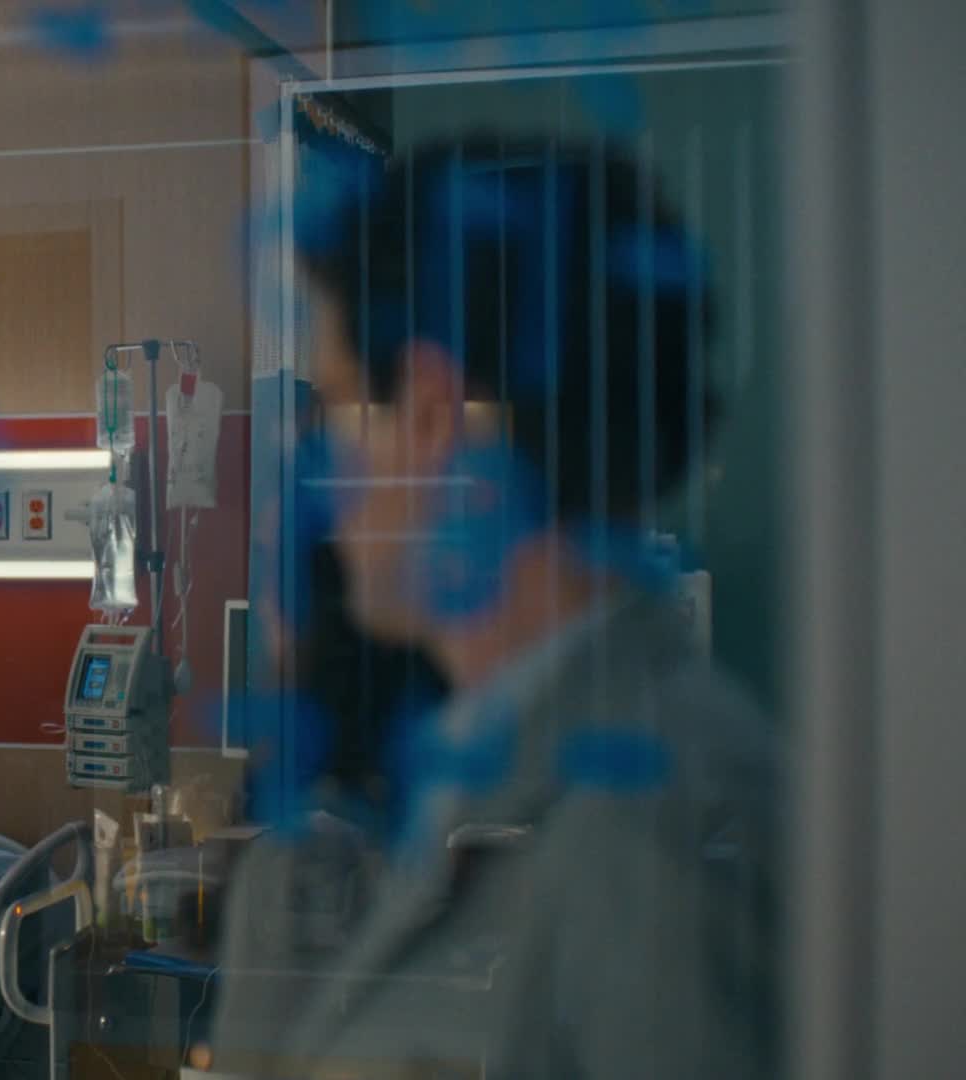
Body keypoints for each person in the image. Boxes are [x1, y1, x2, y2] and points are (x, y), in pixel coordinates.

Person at [212, 138, 776, 1077]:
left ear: (431, 414)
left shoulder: (650, 845)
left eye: (339, 408)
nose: (323, 480)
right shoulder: (497, 775)